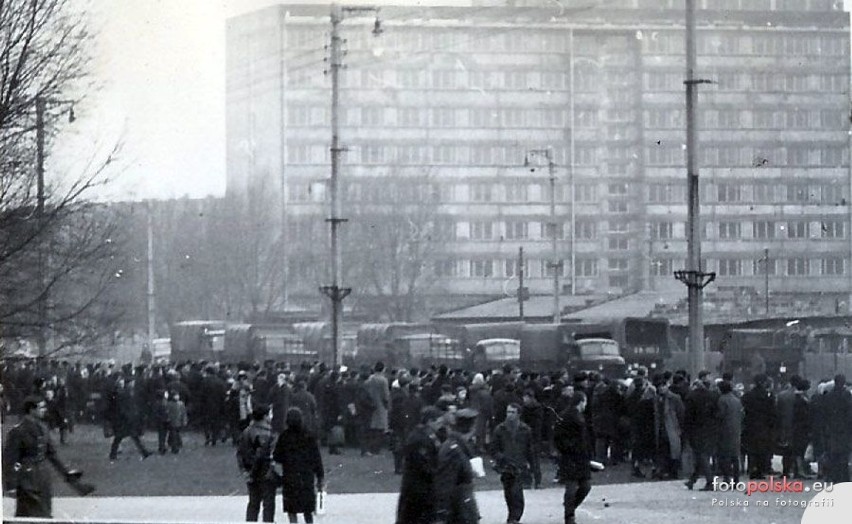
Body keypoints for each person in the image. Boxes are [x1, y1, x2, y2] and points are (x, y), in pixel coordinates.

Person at [3, 395, 94, 517]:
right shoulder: (18, 431)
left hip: (43, 479)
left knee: (45, 514)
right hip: (27, 480)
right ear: (31, 410)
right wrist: (11, 485)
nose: (44, 410)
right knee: (29, 515)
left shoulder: (43, 428)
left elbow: (52, 455)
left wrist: (68, 474)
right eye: (41, 407)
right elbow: (9, 460)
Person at [273, 407, 325, 524]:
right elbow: (317, 458)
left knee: (292, 509)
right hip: (306, 477)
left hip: (290, 477)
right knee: (308, 509)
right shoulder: (309, 436)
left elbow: (277, 457)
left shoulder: (284, 437)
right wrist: (320, 477)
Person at [396, 406, 443, 524]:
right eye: (438, 421)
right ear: (430, 421)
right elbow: (423, 464)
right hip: (417, 489)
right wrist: (438, 472)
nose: (440, 425)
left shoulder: (428, 435)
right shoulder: (419, 438)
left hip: (424, 488)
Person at [491, 403, 537, 524]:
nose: (509, 415)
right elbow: (494, 449)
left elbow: (530, 450)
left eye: (512, 412)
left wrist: (533, 467)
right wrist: (501, 457)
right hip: (505, 467)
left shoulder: (525, 430)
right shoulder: (500, 429)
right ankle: (511, 517)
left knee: (517, 494)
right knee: (509, 493)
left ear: (518, 414)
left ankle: (515, 518)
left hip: (519, 466)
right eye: (508, 412)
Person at [434, 407, 480, 524]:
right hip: (458, 507)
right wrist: (443, 510)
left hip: (462, 504)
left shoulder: (461, 445)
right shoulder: (453, 448)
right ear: (471, 427)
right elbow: (446, 481)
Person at [554, 392, 592, 524]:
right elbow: (560, 438)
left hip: (576, 456)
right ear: (581, 402)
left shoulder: (570, 415)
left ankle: (569, 510)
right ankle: (569, 513)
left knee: (579, 486)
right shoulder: (570, 417)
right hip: (573, 456)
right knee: (578, 486)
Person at [237, 404, 278, 523]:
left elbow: (240, 453)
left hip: (250, 470)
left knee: (253, 502)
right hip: (265, 472)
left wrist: (244, 471)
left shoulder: (247, 431)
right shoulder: (267, 433)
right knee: (268, 503)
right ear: (265, 416)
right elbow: (262, 455)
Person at [106, 374, 152, 461]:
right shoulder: (125, 394)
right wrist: (129, 415)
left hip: (124, 419)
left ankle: (144, 452)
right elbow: (123, 407)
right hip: (125, 419)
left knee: (125, 437)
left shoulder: (125, 393)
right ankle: (143, 452)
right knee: (125, 437)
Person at [716, 380, 744, 484]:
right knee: (735, 455)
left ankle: (727, 477)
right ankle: (736, 478)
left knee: (725, 455)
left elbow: (721, 415)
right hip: (736, 429)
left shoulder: (722, 400)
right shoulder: (737, 400)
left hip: (725, 430)